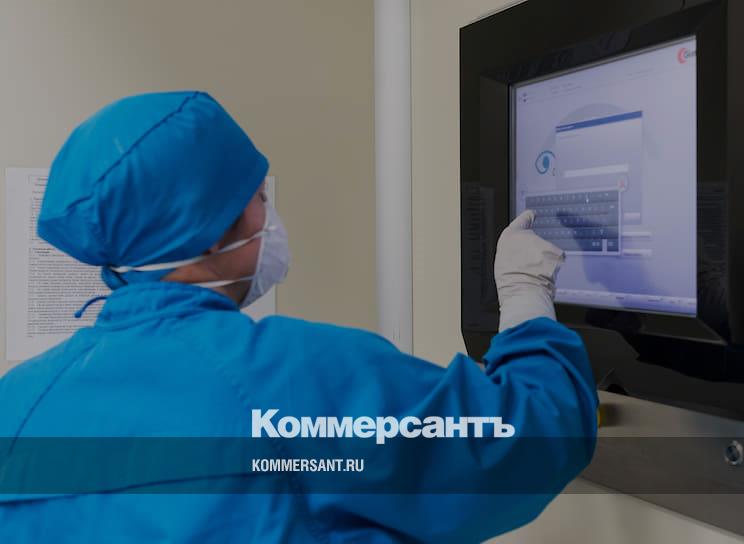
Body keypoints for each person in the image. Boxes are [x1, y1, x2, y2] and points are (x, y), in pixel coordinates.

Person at [0, 91, 598, 543]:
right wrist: (525, 296)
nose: (269, 219)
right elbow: (521, 444)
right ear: (211, 230)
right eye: (259, 199)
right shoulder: (289, 381)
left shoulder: (17, 404)